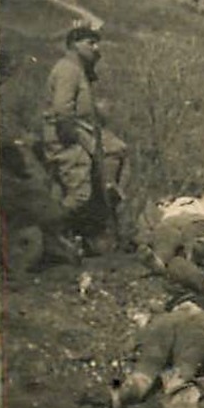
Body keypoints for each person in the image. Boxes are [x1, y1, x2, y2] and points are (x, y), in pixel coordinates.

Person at [42, 25, 127, 246]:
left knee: (116, 150)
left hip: (79, 133)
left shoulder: (78, 69)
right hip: (65, 138)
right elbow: (62, 111)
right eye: (90, 43)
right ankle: (47, 232)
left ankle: (104, 198)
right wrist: (79, 141)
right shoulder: (68, 70)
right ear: (74, 44)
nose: (96, 49)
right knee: (80, 194)